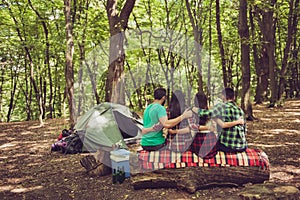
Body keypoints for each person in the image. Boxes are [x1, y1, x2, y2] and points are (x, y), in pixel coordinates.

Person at [192, 88, 247, 153]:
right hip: (242, 146)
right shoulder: (240, 110)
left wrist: (195, 109)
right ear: (234, 97)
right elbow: (244, 129)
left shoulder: (222, 106)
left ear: (223, 96)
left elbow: (207, 113)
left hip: (228, 146)